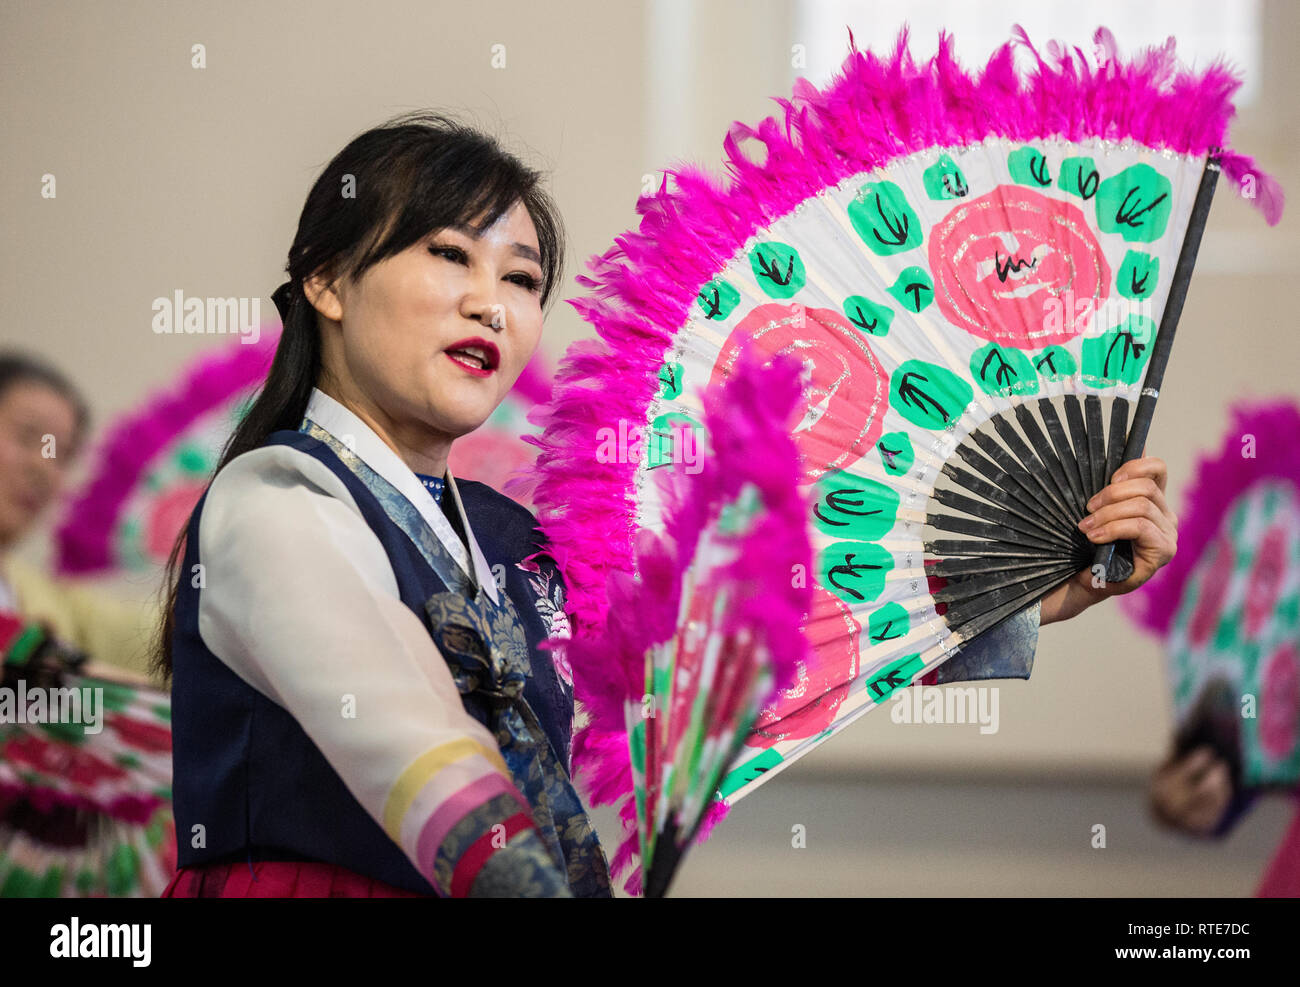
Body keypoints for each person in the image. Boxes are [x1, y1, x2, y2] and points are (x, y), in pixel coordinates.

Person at [155, 112, 610, 898]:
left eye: (522, 279)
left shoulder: (517, 542)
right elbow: (394, 711)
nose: (490, 305)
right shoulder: (275, 495)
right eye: (449, 254)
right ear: (327, 279)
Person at [0, 351, 156, 678]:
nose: (43, 467)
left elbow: (147, 635)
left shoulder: (46, 600)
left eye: (61, 453)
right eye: (28, 436)